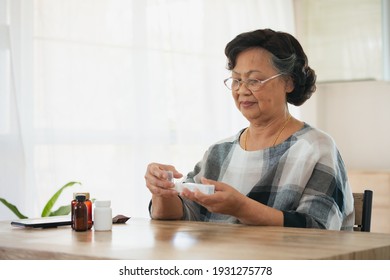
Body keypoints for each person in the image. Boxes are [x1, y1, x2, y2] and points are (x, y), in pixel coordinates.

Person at [144, 28, 354, 230]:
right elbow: (180, 213)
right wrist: (163, 191)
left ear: (288, 82)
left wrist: (241, 208)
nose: (242, 90)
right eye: (236, 80)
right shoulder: (220, 151)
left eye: (254, 80)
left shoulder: (315, 148)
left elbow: (319, 228)